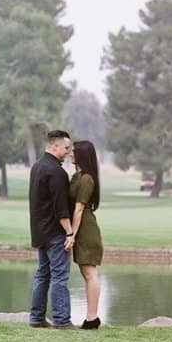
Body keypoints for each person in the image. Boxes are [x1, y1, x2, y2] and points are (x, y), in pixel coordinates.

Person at [28, 129, 77, 329]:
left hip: (39, 231)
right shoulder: (57, 172)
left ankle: (36, 318)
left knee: (42, 274)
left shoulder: (37, 166)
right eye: (66, 148)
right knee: (59, 276)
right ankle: (62, 320)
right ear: (54, 146)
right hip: (55, 233)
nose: (68, 152)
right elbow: (61, 208)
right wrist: (69, 232)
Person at [70, 140, 104, 329]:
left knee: (90, 273)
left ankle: (92, 318)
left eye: (74, 151)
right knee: (86, 273)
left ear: (82, 154)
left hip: (85, 230)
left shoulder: (87, 179)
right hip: (80, 228)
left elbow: (79, 209)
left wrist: (72, 234)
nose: (70, 154)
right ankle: (90, 317)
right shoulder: (78, 176)